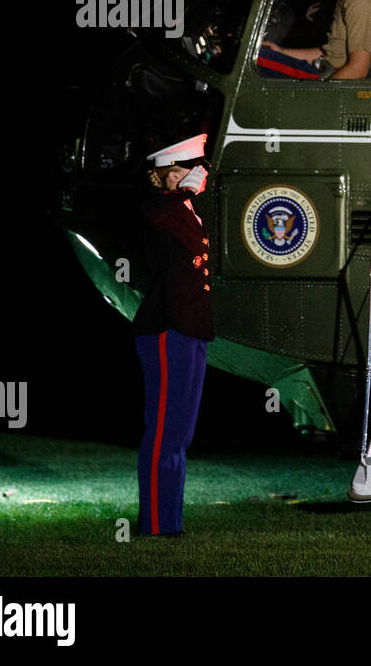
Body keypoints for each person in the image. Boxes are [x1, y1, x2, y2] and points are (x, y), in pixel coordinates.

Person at [133, 134, 213, 537]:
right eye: (184, 171)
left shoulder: (186, 209)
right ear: (165, 177)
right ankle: (157, 524)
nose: (195, 177)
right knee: (164, 430)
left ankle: (170, 521)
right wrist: (182, 190)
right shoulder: (163, 208)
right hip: (167, 328)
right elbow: (153, 214)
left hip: (191, 328)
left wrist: (187, 192)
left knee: (180, 431)